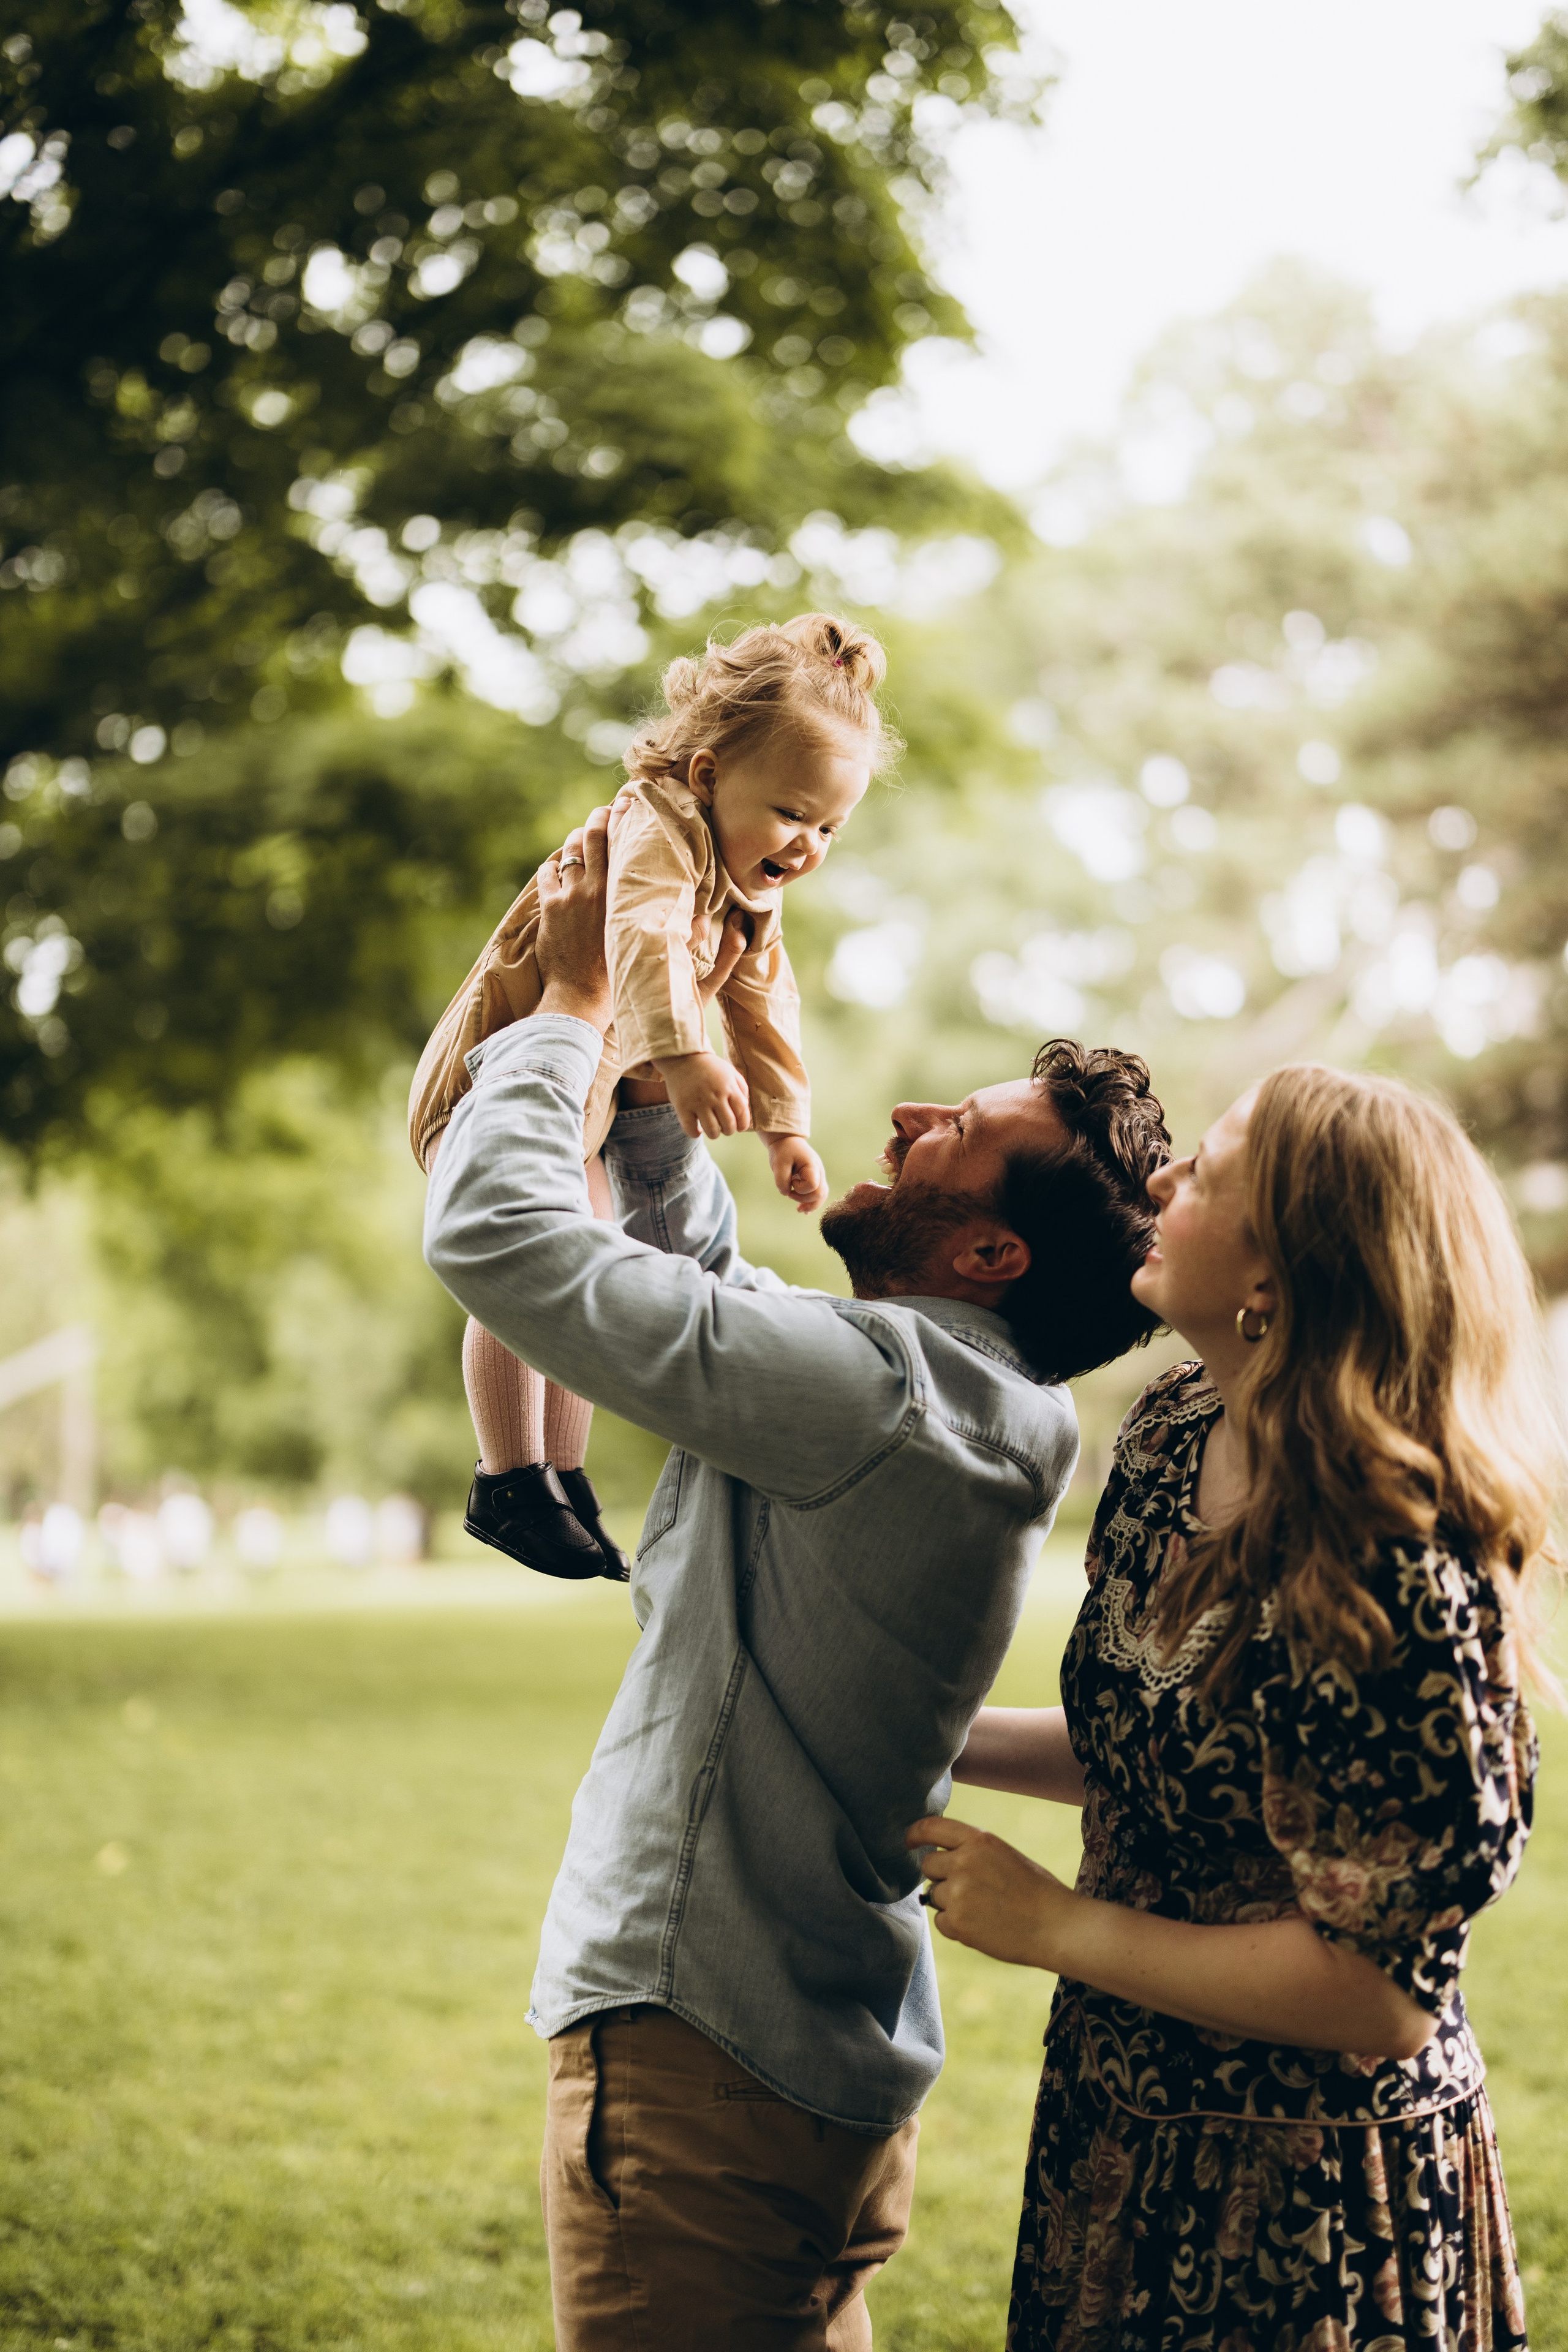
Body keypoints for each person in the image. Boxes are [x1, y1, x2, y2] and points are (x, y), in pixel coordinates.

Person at [422, 805, 1172, 2350]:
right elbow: (700, 1284)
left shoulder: (886, 1396)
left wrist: (562, 1017)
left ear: (989, 1258)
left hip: (704, 2048)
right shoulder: (976, 1402)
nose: (904, 1116)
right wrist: (650, 1040)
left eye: (955, 1132)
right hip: (816, 2061)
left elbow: (500, 1236)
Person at [911, 1062, 1556, 2351]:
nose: (1159, 1180)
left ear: (1276, 1276)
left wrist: (1056, 1926)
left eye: (1202, 1175)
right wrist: (914, 1747)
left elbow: (1378, 1996)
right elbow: (1158, 1755)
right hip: (1119, 2124)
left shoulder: (1393, 1563)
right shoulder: (1169, 1432)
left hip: (1309, 2202)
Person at [410, 612, 894, 1582]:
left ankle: (561, 1475)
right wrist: (681, 1056)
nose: (806, 845)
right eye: (794, 813)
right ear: (709, 776)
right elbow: (636, 940)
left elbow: (764, 995)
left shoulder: (747, 876)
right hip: (513, 1071)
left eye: (830, 827)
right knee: (548, 1249)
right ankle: (510, 1475)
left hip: (593, 1082)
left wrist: (783, 1122)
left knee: (596, 1250)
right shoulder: (657, 830)